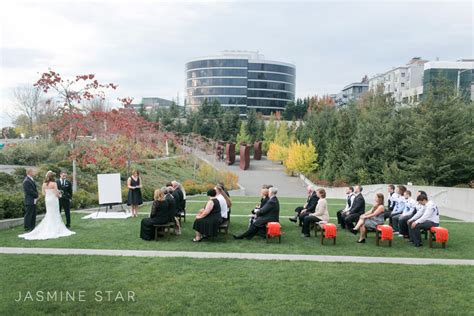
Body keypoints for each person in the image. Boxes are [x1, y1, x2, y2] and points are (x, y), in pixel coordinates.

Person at [19, 171, 75, 240]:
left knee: (49, 213)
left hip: (48, 200)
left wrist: (49, 195)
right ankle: (55, 228)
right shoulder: (54, 183)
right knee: (55, 213)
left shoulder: (44, 184)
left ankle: (48, 227)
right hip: (53, 200)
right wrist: (59, 195)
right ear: (52, 177)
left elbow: (43, 193)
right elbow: (56, 194)